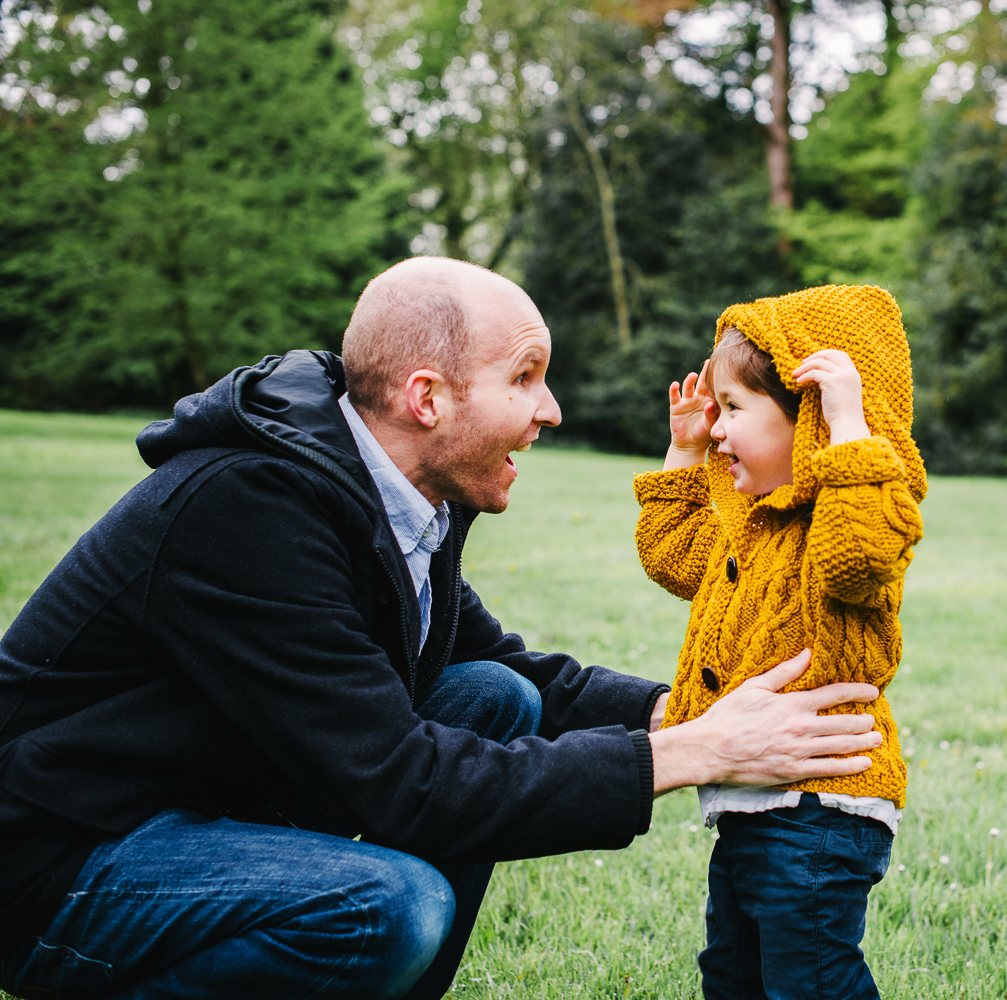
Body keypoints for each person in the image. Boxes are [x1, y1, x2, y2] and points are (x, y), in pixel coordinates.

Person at [0, 257, 885, 1000]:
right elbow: (400, 782)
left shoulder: (393, 493)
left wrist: (691, 709)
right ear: (428, 398)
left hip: (195, 808)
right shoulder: (247, 508)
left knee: (490, 696)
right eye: (526, 378)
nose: (552, 411)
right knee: (388, 907)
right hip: (63, 856)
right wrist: (693, 753)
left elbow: (501, 667)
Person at [634, 284, 926, 999]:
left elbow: (857, 556)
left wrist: (852, 424)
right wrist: (683, 449)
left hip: (819, 806)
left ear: (812, 418)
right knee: (733, 975)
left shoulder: (848, 520)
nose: (719, 428)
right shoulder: (753, 523)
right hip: (757, 797)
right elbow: (674, 558)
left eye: (734, 409)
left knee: (810, 981)